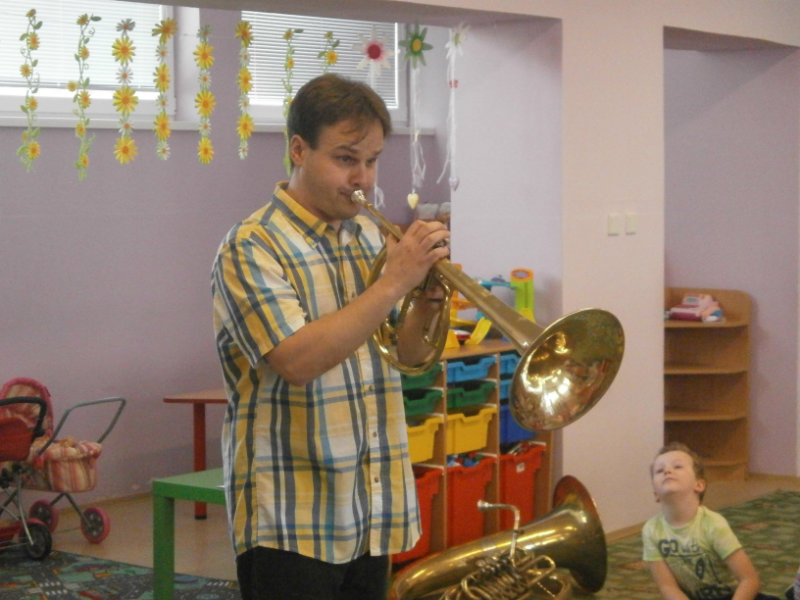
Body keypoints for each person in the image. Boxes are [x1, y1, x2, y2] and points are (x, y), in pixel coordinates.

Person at [211, 73, 451, 600]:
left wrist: (428, 300)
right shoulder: (251, 246)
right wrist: (394, 283)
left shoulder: (370, 236)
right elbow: (297, 360)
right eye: (345, 159)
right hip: (290, 516)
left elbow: (407, 354)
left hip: (371, 507)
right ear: (299, 150)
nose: (362, 178)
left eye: (372, 160)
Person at [642, 442, 780, 600]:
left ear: (699, 485)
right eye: (659, 470)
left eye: (677, 466)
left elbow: (749, 580)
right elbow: (667, 586)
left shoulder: (713, 524)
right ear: (655, 494)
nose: (667, 471)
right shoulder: (651, 530)